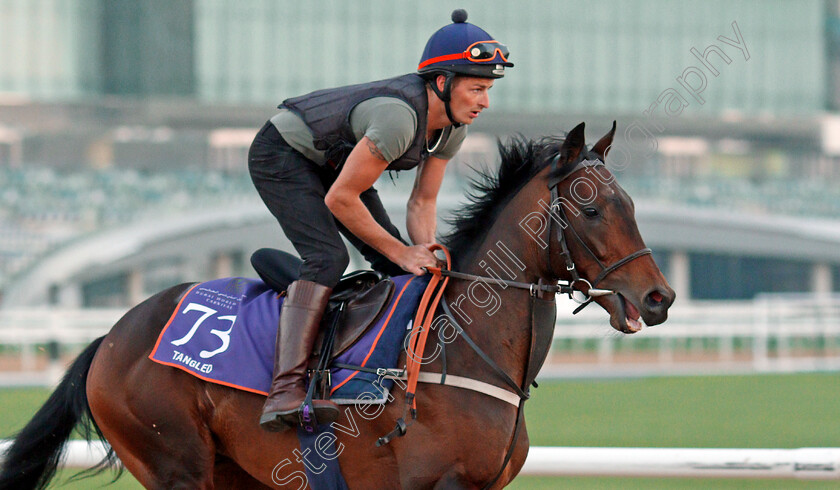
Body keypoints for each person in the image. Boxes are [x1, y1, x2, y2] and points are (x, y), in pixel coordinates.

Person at [248, 9, 512, 432]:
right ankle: (285, 391)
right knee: (328, 258)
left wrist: (423, 252)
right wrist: (403, 251)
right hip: (283, 154)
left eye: (489, 89)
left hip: (335, 163)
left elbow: (422, 204)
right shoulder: (398, 119)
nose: (485, 101)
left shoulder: (453, 128)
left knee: (398, 263)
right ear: (442, 83)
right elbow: (340, 198)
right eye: (477, 88)